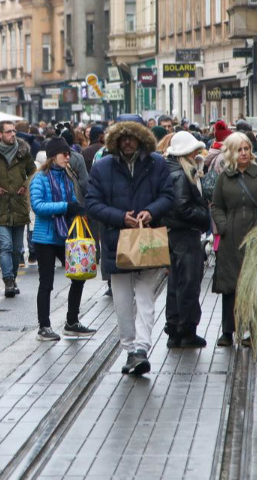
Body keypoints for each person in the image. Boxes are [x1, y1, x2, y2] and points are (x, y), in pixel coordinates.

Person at [86, 118, 174, 376]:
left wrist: (150, 212)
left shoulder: (157, 164)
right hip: (117, 241)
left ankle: (141, 349)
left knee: (146, 298)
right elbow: (92, 203)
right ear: (115, 140)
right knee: (122, 300)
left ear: (141, 139)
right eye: (122, 137)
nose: (127, 142)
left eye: (132, 137)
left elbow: (168, 196)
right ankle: (130, 348)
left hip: (147, 240)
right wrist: (119, 216)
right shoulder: (102, 167)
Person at [210, 132, 257, 347]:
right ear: (231, 152)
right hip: (231, 237)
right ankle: (228, 330)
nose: (244, 153)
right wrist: (223, 226)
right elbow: (217, 205)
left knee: (256, 282)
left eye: (247, 148)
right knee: (230, 283)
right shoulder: (225, 176)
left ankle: (255, 330)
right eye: (239, 149)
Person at [29, 138, 96, 341]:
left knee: (79, 275)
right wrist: (66, 206)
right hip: (45, 237)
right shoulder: (40, 178)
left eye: (69, 154)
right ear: (53, 156)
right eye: (64, 154)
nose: (68, 157)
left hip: (65, 235)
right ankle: (44, 326)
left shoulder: (67, 177)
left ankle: (72, 322)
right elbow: (38, 206)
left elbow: (72, 200)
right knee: (46, 283)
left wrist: (77, 207)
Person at [163, 132, 212, 348]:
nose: (197, 154)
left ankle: (174, 328)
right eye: (194, 150)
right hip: (185, 233)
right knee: (189, 282)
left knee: (176, 282)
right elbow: (182, 206)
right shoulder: (181, 174)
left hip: (175, 233)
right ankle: (186, 329)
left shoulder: (173, 170)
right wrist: (204, 216)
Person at [0, 121, 36, 298]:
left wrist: (26, 185)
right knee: (5, 246)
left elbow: (33, 171)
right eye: (8, 132)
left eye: (14, 131)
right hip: (1, 205)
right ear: (0, 135)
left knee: (17, 249)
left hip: (19, 204)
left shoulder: (23, 152)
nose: (13, 134)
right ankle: (8, 282)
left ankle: (12, 276)